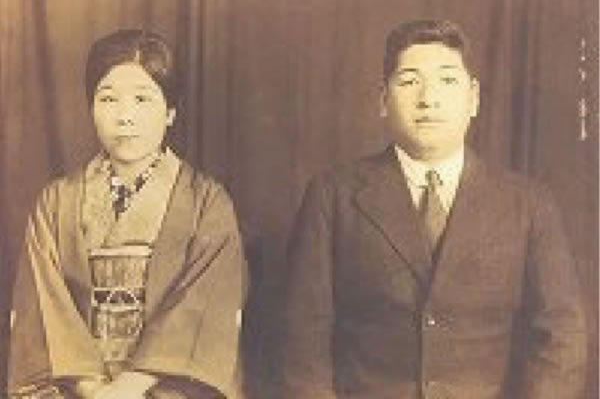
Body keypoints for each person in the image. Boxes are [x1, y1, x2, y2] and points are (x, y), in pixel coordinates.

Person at [279, 20, 587, 399]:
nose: (428, 98)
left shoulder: (529, 205)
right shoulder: (332, 197)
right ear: (383, 99)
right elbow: (303, 344)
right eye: (410, 81)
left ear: (473, 98)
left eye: (447, 80)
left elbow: (561, 337)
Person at [8, 29, 246, 399]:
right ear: (91, 108)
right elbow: (43, 312)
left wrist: (127, 389)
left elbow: (203, 314)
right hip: (77, 391)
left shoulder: (208, 203)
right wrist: (94, 391)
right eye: (108, 99)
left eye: (142, 99)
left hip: (169, 389)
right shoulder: (55, 203)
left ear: (170, 112)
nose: (124, 116)